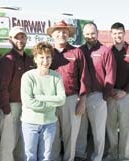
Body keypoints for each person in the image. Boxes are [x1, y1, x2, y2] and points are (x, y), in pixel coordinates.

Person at [48, 20, 91, 161]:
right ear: (53, 35)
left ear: (69, 35)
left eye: (65, 32)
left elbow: (84, 78)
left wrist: (82, 101)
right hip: (50, 101)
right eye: (58, 31)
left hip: (71, 100)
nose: (62, 34)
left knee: (71, 136)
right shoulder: (46, 52)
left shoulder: (76, 52)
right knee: (52, 134)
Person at [76, 22, 116, 161]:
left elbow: (110, 74)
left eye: (92, 33)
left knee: (98, 132)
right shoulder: (79, 50)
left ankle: (97, 157)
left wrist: (104, 97)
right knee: (81, 129)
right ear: (83, 35)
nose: (90, 36)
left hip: (97, 96)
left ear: (97, 33)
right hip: (81, 96)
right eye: (87, 34)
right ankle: (80, 155)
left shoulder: (105, 51)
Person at [103, 22, 129, 161]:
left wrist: (125, 91)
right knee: (111, 128)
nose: (117, 36)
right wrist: (109, 90)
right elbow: (103, 72)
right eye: (114, 33)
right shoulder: (107, 51)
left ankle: (125, 157)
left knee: (126, 129)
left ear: (124, 33)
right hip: (111, 95)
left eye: (120, 33)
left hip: (126, 95)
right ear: (111, 34)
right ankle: (113, 154)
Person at [21, 41, 66, 161]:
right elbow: (28, 102)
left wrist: (40, 97)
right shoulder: (28, 77)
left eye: (48, 57)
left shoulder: (56, 76)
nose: (45, 61)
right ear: (35, 59)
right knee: (30, 156)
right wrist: (52, 103)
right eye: (41, 57)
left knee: (46, 157)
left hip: (49, 123)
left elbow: (61, 99)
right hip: (30, 123)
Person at [0, 26, 34, 161]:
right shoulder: (7, 59)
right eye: (16, 37)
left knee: (22, 144)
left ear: (26, 39)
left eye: (22, 37)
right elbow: (2, 87)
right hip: (10, 107)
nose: (20, 40)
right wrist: (6, 111)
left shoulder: (30, 60)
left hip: (27, 107)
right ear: (10, 40)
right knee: (8, 144)